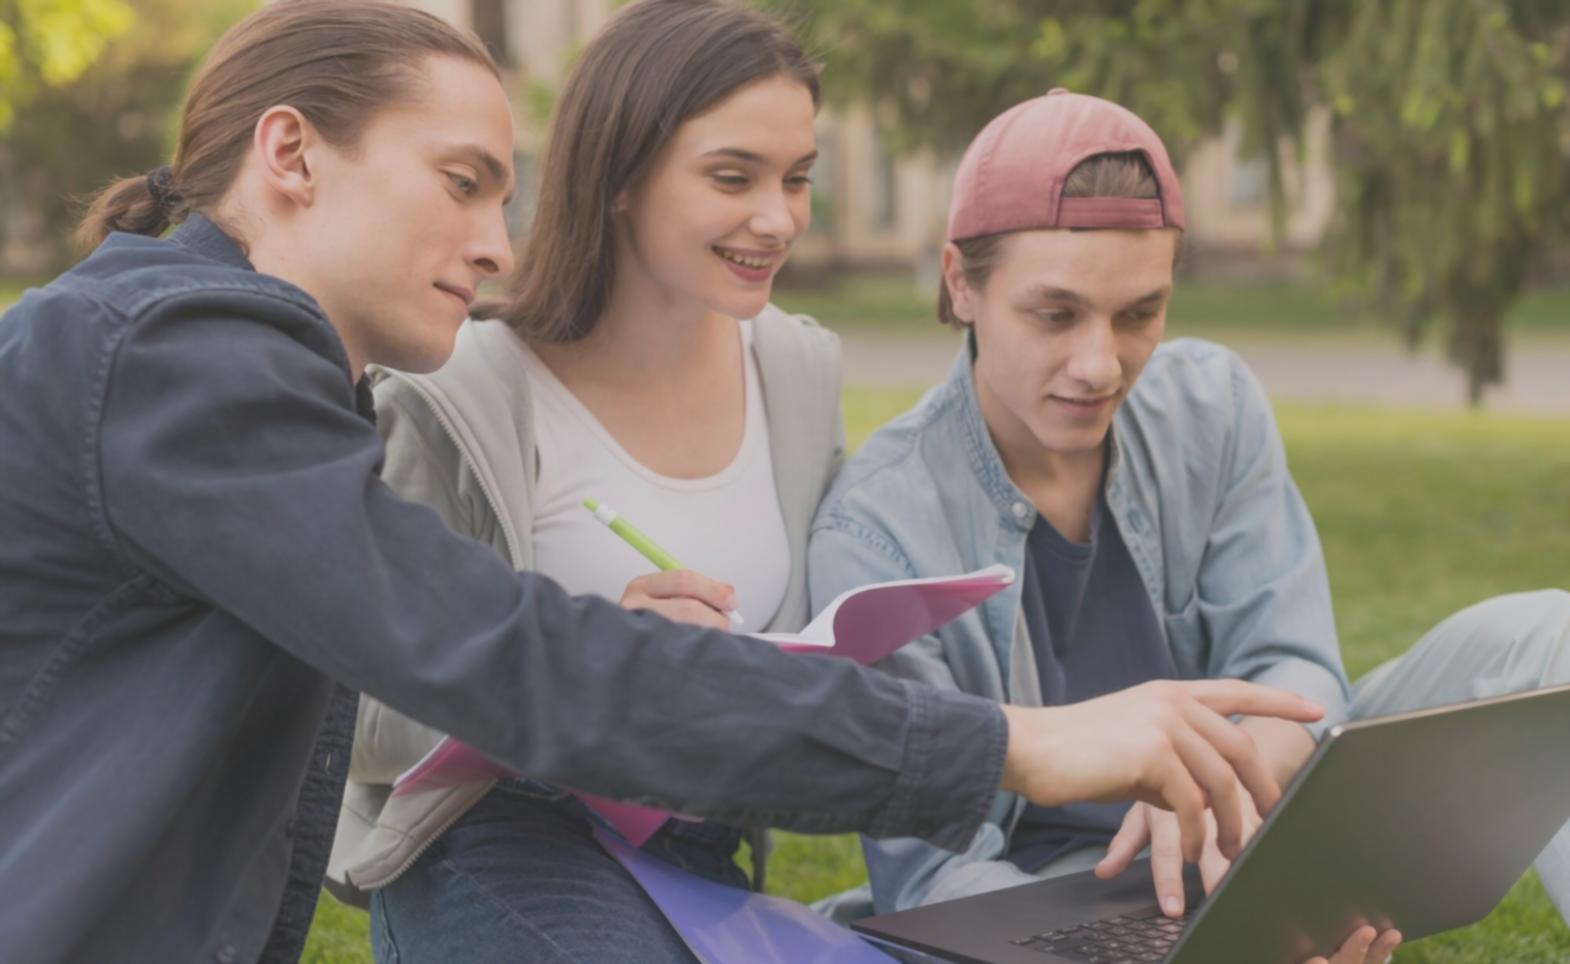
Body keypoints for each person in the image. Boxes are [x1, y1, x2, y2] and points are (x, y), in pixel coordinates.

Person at [0, 5, 1327, 962]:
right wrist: (1019, 744)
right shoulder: (178, 366)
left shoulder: (223, 366)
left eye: (502, 196)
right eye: (462, 186)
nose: (489, 241)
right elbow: (510, 661)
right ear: (287, 156)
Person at [808, 88, 1570, 964]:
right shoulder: (874, 535)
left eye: (1141, 314)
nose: (1101, 366)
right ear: (960, 283)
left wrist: (1208, 792)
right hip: (1052, 905)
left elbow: (1300, 681)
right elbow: (937, 885)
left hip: (1255, 828)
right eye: (1055, 314)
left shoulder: (1213, 405)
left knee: (1551, 639)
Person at [327, 2, 841, 960]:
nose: (778, 218)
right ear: (620, 176)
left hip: (696, 851)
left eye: (798, 178)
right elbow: (351, 718)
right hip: (494, 838)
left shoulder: (801, 371)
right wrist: (592, 655)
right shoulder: (465, 389)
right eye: (734, 176)